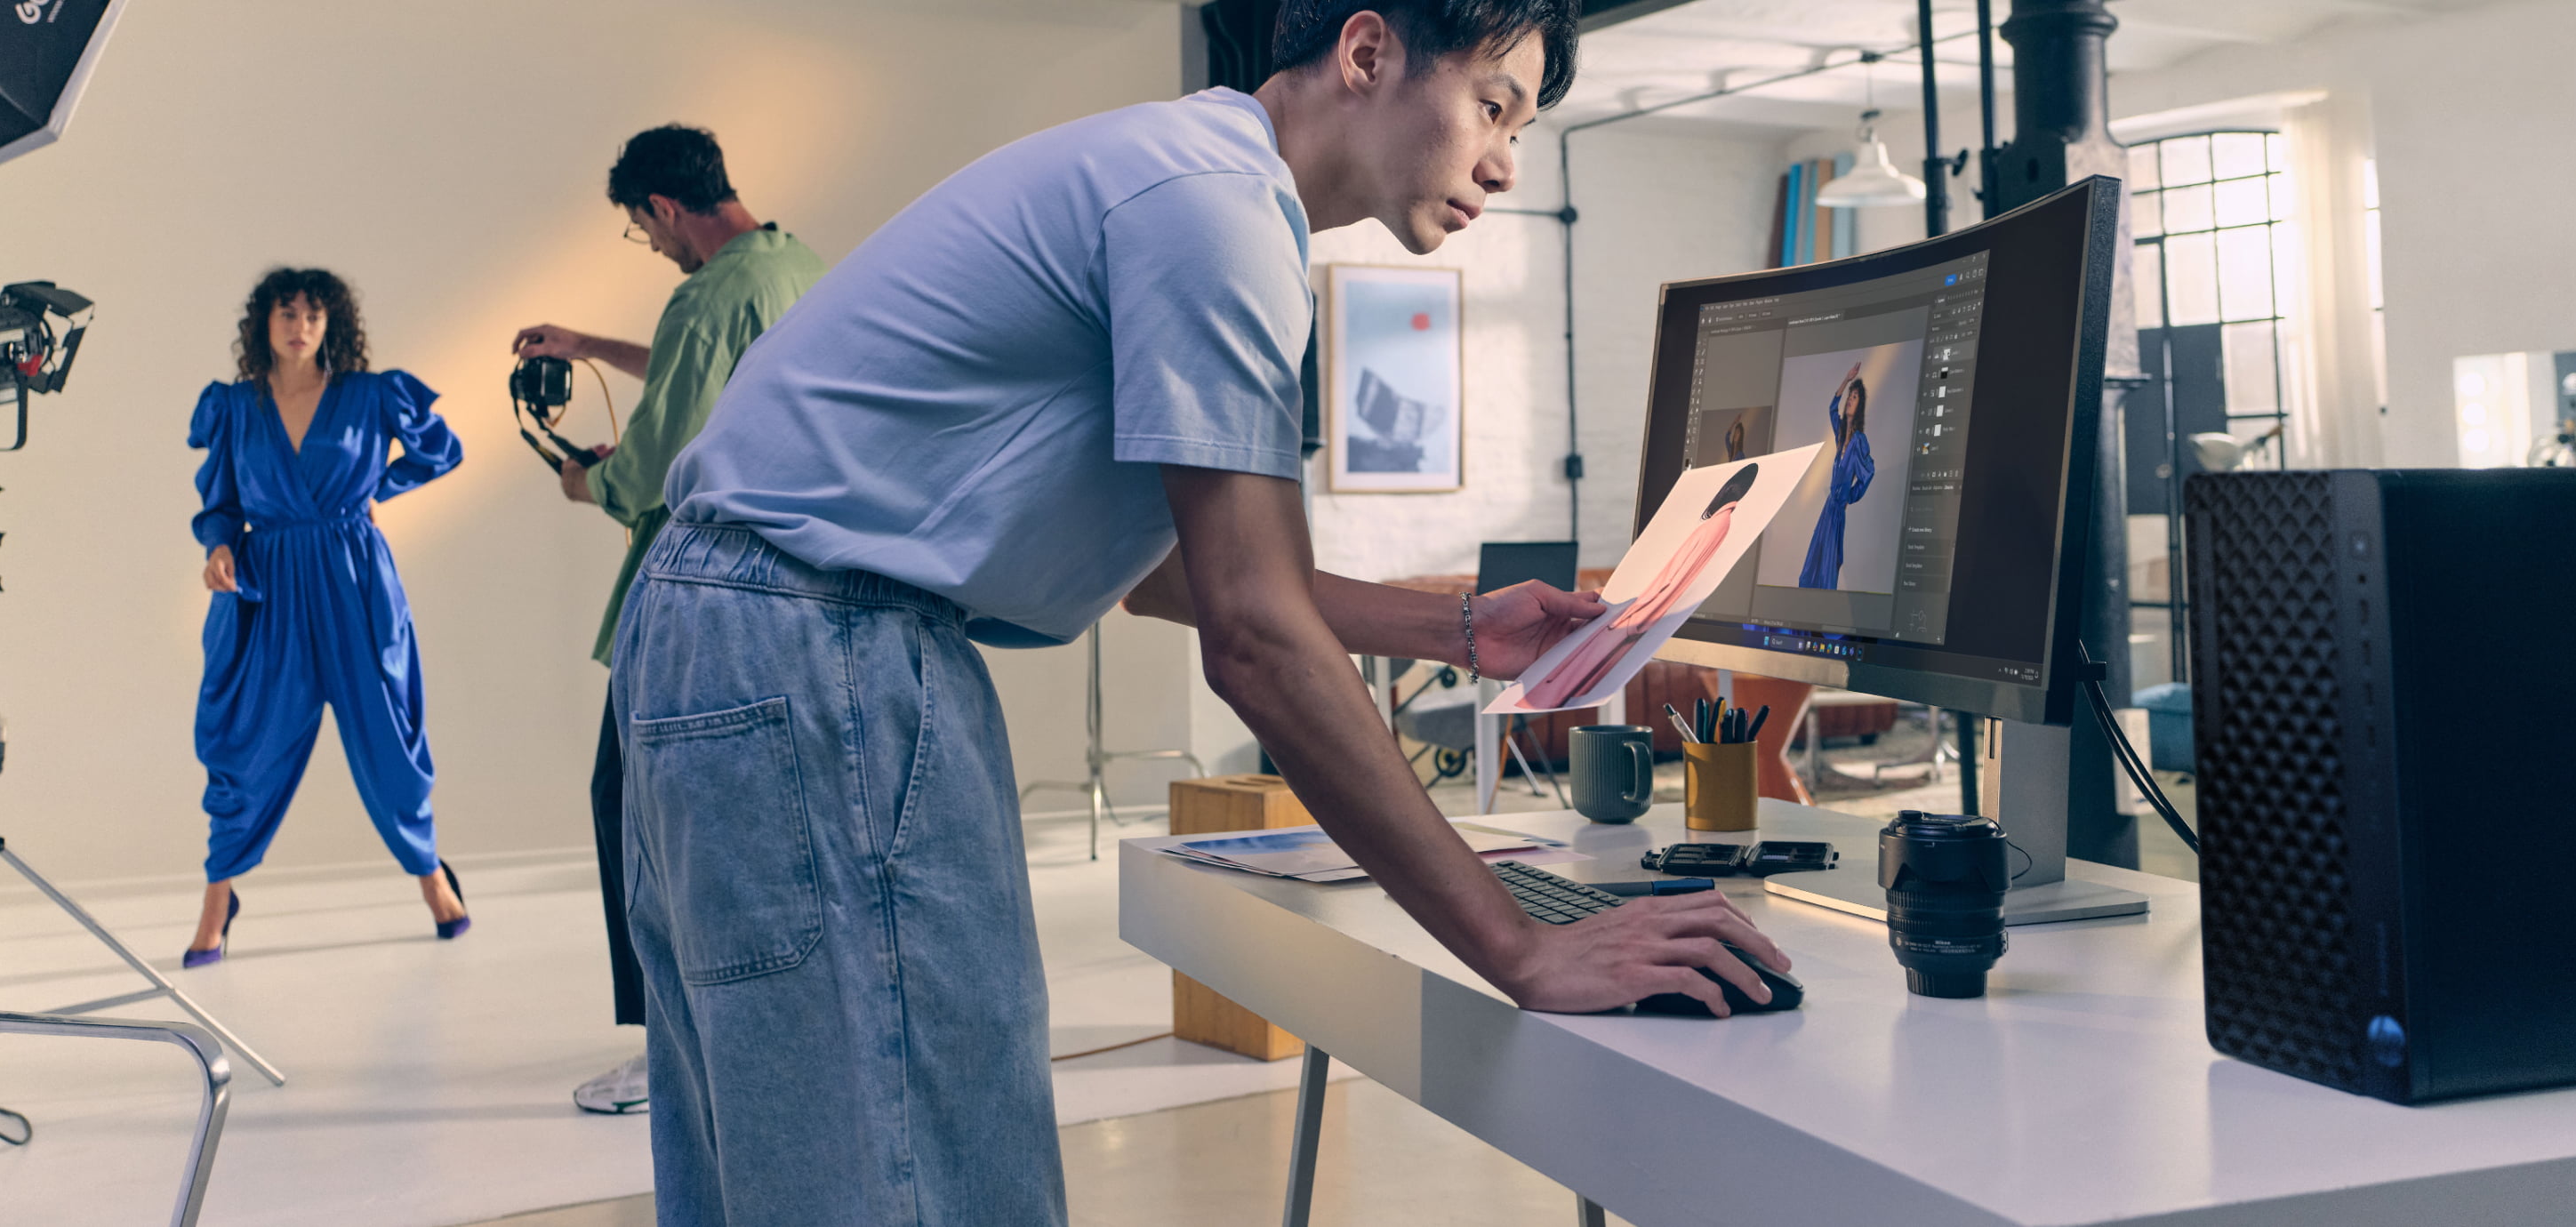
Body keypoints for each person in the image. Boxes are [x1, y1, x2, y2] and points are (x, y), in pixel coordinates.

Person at [616, 4, 1787, 1221]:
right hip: (818, 652)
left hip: (727, 632)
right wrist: (1520, 945)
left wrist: (1454, 631)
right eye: (1493, 105)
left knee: (795, 1168)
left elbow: (1170, 572)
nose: (1504, 160)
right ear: (1369, 51)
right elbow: (1254, 635)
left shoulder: (1175, 171)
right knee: (910, 1183)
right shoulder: (1217, 210)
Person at [510, 124, 826, 1115]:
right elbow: (709, 369)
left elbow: (646, 471)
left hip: (690, 594)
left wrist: (587, 481)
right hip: (790, 589)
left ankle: (667, 1053)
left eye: (643, 233)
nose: (651, 248)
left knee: (634, 813)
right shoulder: (795, 269)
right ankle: (766, 1029)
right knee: (754, 818)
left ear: (662, 208)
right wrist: (589, 344)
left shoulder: (702, 292)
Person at [182, 268, 467, 966]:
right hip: (269, 587)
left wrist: (382, 488)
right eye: (287, 312)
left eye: (313, 314)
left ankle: (431, 875)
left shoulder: (370, 396)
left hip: (354, 580)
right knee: (244, 747)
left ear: (331, 323)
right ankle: (218, 901)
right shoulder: (233, 407)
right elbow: (219, 503)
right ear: (264, 324)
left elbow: (441, 450)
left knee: (387, 737)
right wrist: (219, 547)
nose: (300, 326)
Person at [1521, 464, 1759, 708]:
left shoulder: (1717, 523)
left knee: (1591, 658)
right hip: (1648, 602)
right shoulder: (1720, 522)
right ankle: (1551, 693)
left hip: (1649, 603)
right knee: (1590, 658)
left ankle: (1551, 694)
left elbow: (1677, 576)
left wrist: (1641, 603)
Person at [1794, 365, 1874, 588]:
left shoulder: (1859, 441)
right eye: (1850, 395)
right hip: (1827, 509)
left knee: (1827, 569)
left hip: (1837, 512)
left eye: (1855, 397)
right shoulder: (1840, 434)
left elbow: (1869, 472)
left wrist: (1850, 496)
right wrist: (1846, 380)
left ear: (1860, 406)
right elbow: (1831, 408)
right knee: (1812, 564)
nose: (1850, 399)